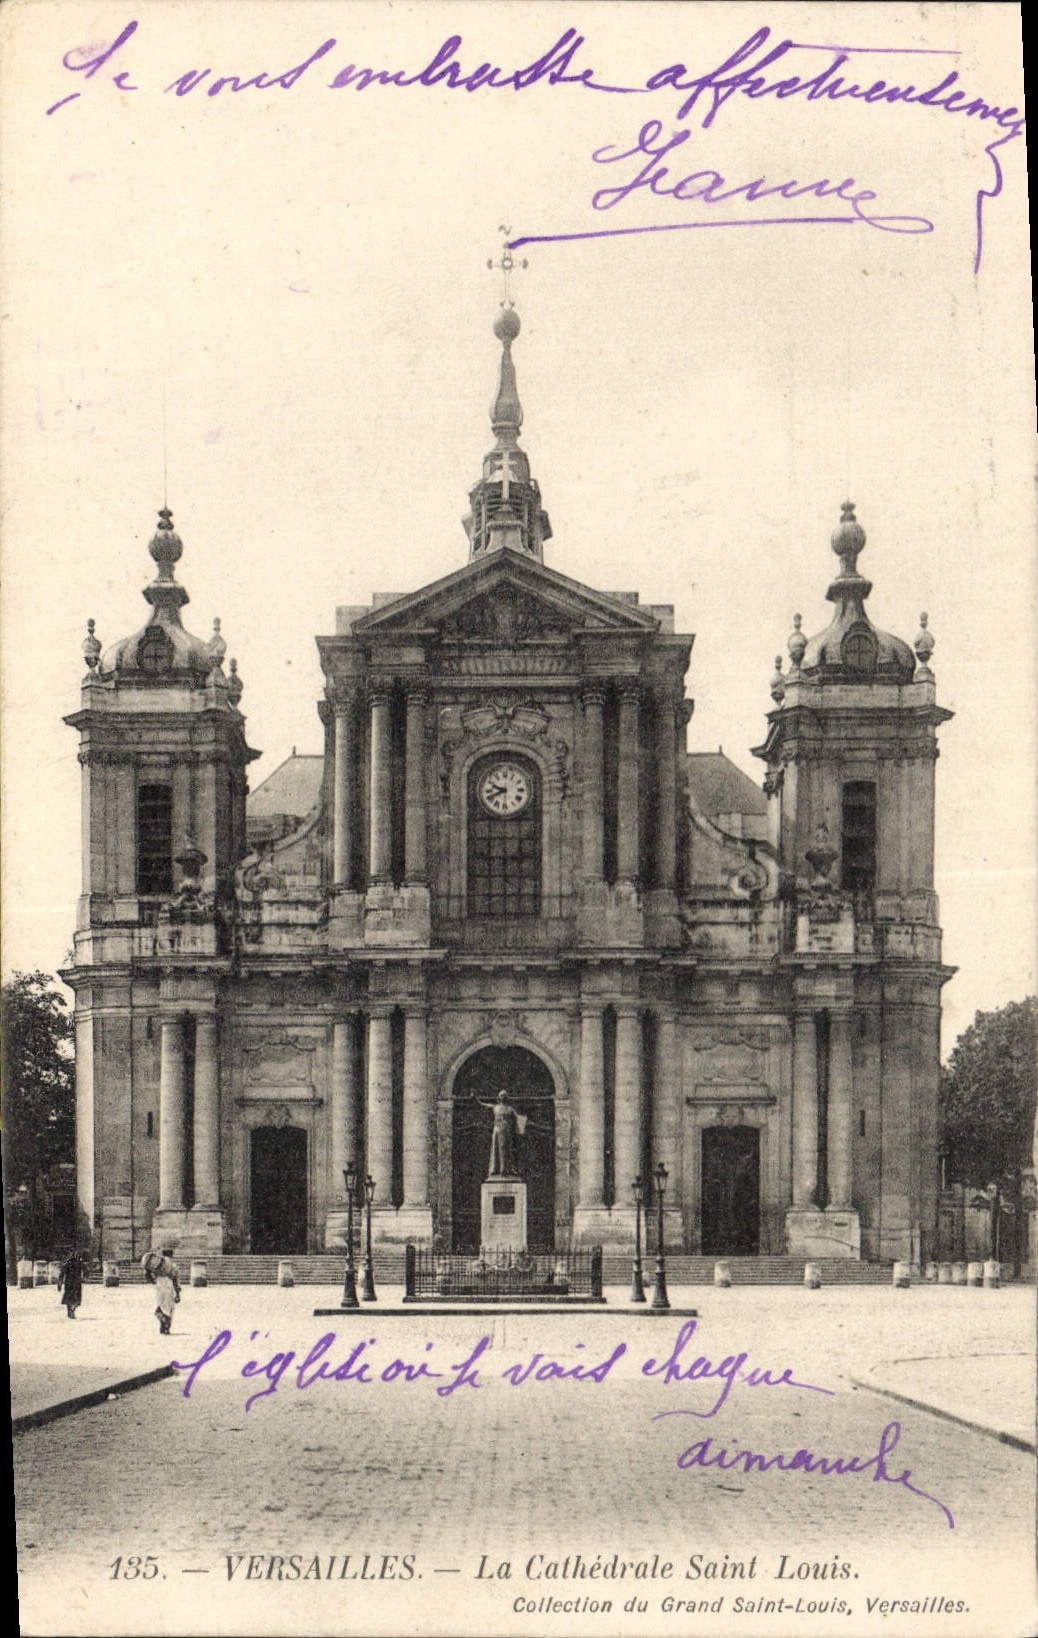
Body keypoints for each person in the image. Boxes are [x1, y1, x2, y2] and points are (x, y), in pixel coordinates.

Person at [477, 1091, 527, 1177]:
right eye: (501, 1095)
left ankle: (507, 1169)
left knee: (507, 1149)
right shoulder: (495, 1107)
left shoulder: (510, 1109)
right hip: (498, 1130)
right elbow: (482, 1105)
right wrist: (476, 1099)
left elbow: (518, 1119)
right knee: (497, 1148)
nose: (503, 1096)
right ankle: (496, 1169)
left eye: (504, 1095)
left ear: (507, 1097)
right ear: (498, 1097)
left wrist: (521, 1126)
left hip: (507, 1131)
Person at [142, 1248, 180, 1335]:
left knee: (161, 1305)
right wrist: (178, 1294)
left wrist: (152, 1280)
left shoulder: (159, 1263)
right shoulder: (172, 1265)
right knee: (169, 1308)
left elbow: (149, 1275)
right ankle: (166, 1326)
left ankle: (163, 1324)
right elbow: (176, 1280)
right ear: (171, 1255)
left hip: (159, 1284)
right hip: (169, 1284)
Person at [57, 1248, 84, 1319]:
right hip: (70, 1283)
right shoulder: (67, 1264)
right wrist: (59, 1283)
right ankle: (71, 1311)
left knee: (75, 1298)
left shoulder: (79, 1263)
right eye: (72, 1253)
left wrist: (59, 1284)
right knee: (70, 1298)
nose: (73, 1254)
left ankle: (71, 1310)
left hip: (76, 1283)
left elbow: (85, 1270)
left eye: (74, 1253)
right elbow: (62, 1274)